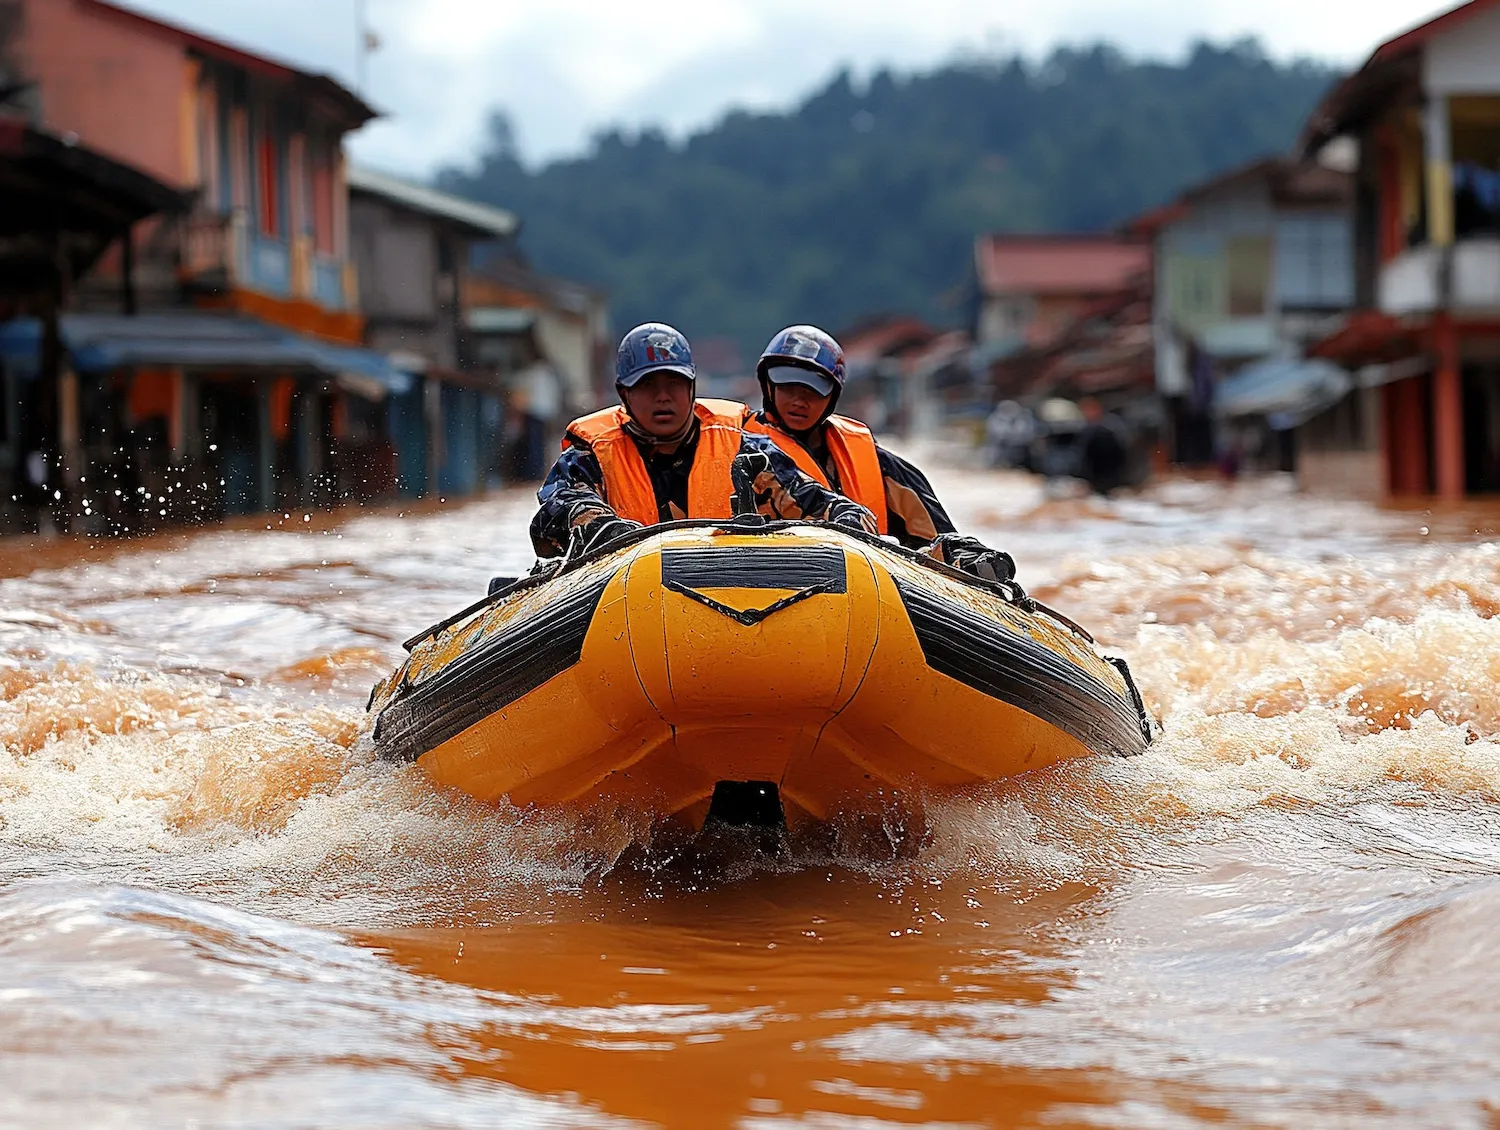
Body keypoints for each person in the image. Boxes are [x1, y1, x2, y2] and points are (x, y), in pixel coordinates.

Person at [529, 322, 876, 557]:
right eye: (648, 386)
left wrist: (845, 518)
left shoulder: (746, 451)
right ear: (624, 393)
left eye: (674, 384)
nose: (663, 397)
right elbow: (560, 508)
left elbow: (811, 499)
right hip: (626, 595)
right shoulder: (590, 456)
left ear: (692, 388)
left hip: (733, 592)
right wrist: (605, 531)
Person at [740, 325, 1011, 581]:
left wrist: (964, 557)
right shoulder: (739, 450)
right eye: (788, 387)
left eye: (812, 390)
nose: (799, 401)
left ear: (832, 396)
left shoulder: (879, 464)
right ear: (768, 386)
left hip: (862, 588)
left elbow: (938, 538)